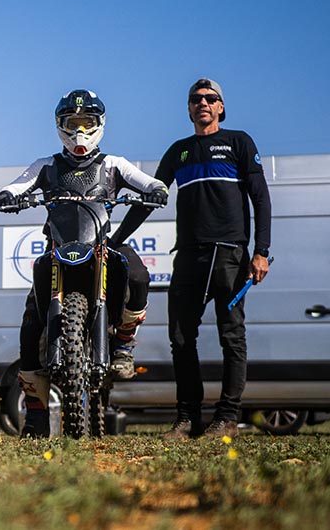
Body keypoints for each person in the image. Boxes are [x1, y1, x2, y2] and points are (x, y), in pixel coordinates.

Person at [0, 89, 168, 437]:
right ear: (60, 126)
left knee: (137, 275)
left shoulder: (113, 164)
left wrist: (156, 189)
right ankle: (36, 415)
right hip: (58, 250)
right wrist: (9, 196)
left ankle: (123, 342)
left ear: (99, 124)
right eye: (72, 123)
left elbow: (147, 182)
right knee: (30, 327)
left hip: (102, 246)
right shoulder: (46, 165)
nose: (80, 132)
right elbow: (17, 186)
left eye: (87, 122)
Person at [115, 78, 271, 439]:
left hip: (230, 256)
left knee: (231, 337)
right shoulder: (178, 152)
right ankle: (188, 419)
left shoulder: (239, 142)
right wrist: (116, 238)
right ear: (188, 109)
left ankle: (227, 418)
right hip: (187, 257)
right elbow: (149, 199)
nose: (202, 103)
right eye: (195, 99)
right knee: (181, 339)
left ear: (220, 107)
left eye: (210, 98)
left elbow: (261, 199)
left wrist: (261, 251)